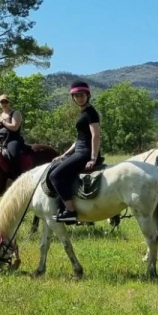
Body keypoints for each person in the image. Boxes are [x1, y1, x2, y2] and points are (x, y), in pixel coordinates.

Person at [51, 81, 102, 223]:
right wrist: (65, 154)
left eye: (82, 95)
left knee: (55, 176)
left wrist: (93, 158)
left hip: (85, 152)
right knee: (56, 167)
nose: (80, 98)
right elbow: (79, 139)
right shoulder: (83, 113)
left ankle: (71, 211)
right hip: (79, 149)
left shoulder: (91, 113)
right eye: (76, 95)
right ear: (73, 97)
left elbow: (96, 135)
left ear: (88, 95)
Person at [0, 94, 24, 179]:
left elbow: (14, 127)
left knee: (13, 155)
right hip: (0, 140)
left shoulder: (15, 113)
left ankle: (16, 177)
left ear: (9, 102)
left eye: (6, 101)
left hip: (12, 139)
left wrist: (3, 121)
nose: (4, 104)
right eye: (2, 102)